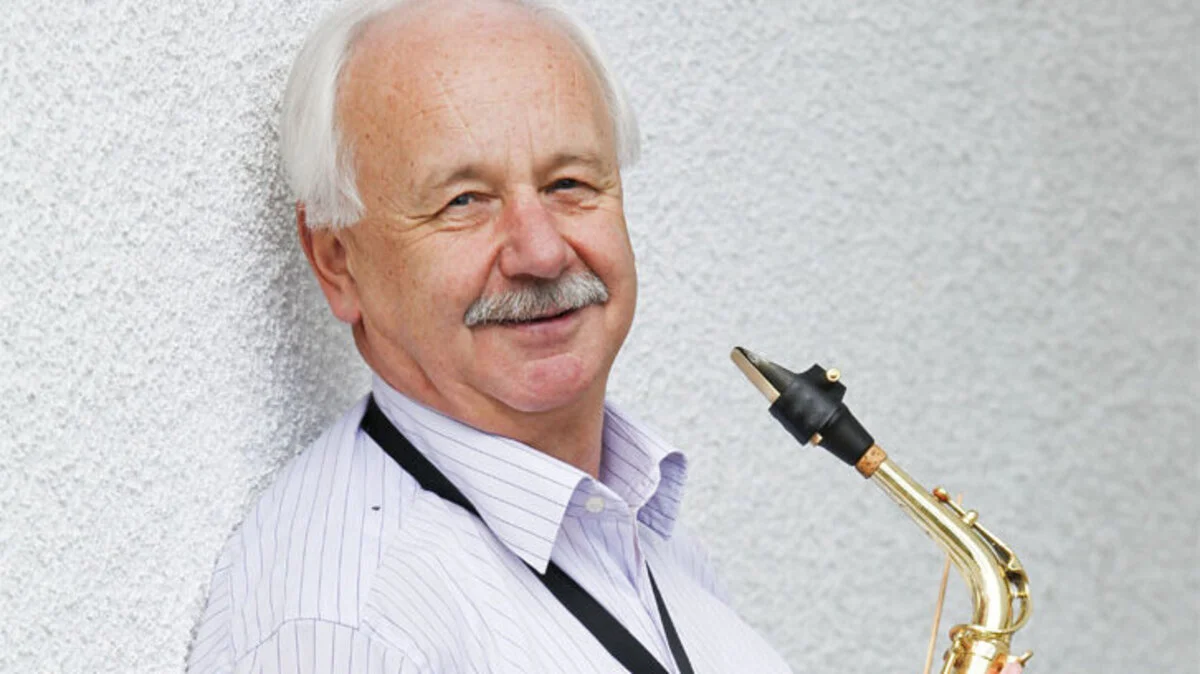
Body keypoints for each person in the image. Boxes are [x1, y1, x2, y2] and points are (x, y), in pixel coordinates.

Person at [187, 1, 1027, 672]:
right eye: (463, 201)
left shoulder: (636, 532)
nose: (542, 251)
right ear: (337, 262)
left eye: (569, 183)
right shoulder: (348, 626)